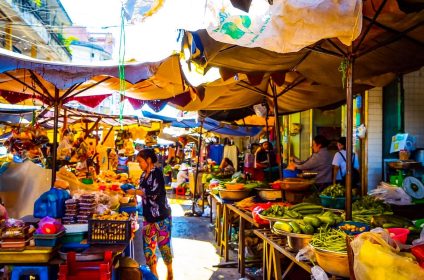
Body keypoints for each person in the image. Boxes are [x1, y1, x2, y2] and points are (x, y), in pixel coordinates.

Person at [125, 149, 173, 280]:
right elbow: (141, 190)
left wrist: (135, 192)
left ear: (149, 160)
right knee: (148, 249)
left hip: (162, 217)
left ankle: (169, 271)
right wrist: (134, 195)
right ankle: (154, 275)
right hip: (148, 217)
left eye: (140, 161)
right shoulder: (142, 175)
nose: (139, 164)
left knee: (164, 247)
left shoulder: (157, 173)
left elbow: (153, 191)